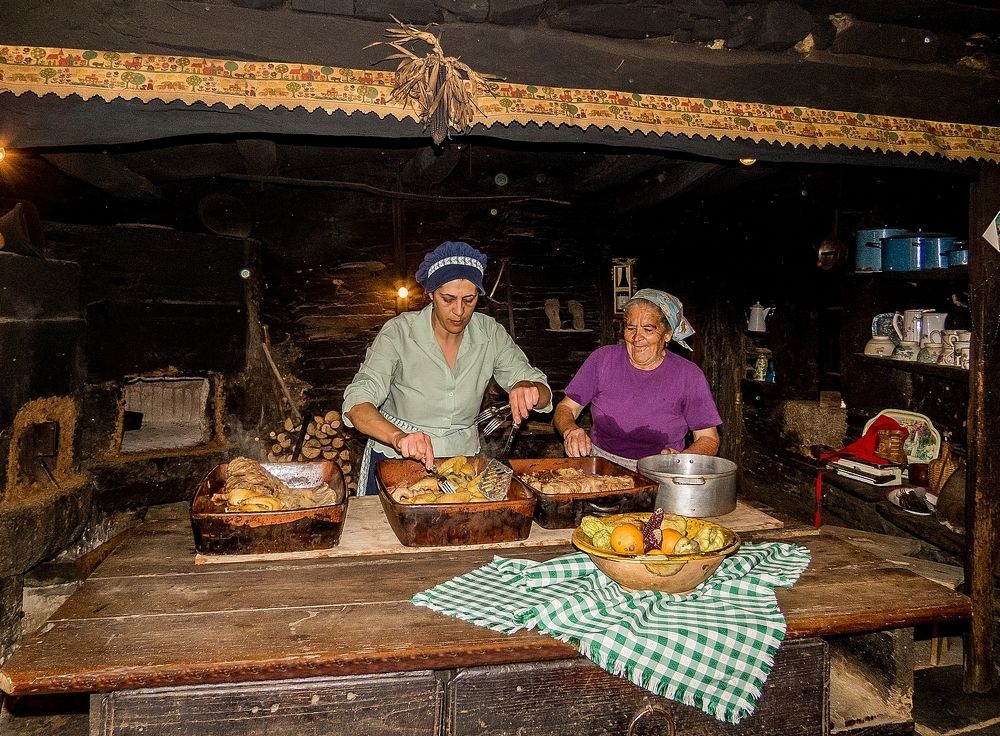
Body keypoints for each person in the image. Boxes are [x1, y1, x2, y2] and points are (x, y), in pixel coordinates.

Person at [343, 241, 552, 494]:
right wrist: (398, 437)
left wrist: (528, 386)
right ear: (431, 294)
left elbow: (544, 395)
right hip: (397, 463)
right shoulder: (399, 333)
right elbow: (356, 405)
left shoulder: (490, 334)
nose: (459, 311)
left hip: (462, 464)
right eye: (448, 299)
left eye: (469, 299)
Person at [553, 288, 721, 470]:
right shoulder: (603, 360)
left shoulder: (688, 375)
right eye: (630, 328)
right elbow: (566, 408)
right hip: (600, 465)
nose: (636, 338)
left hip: (660, 470)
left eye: (648, 329)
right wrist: (570, 430)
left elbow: (708, 438)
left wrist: (680, 462)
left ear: (667, 334)